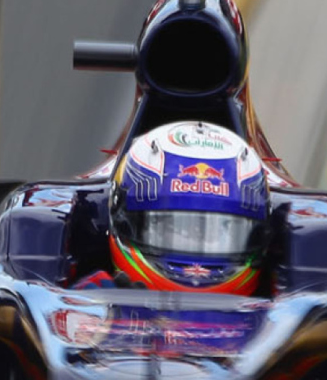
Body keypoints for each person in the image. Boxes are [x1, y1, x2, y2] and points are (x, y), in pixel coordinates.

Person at [85, 120, 270, 294]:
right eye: (175, 230)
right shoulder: (92, 302)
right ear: (123, 222)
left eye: (217, 235)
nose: (196, 271)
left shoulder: (291, 315)